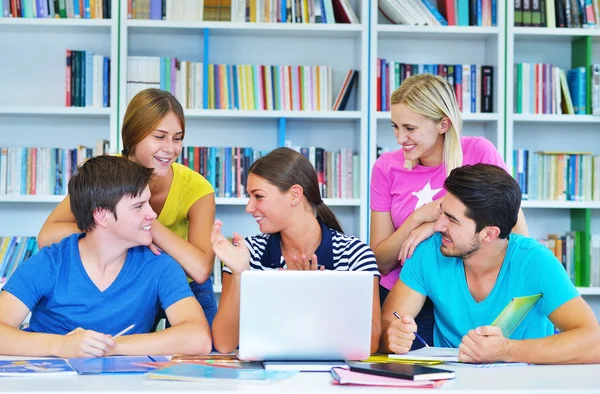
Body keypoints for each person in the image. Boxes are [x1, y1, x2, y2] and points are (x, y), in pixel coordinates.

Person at [381, 163, 600, 364]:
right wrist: (391, 335)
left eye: (452, 219)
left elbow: (594, 342)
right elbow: (384, 324)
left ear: (489, 234)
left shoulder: (535, 261)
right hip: (450, 383)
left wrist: (507, 350)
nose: (437, 226)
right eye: (442, 213)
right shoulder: (429, 251)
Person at [369, 73, 529, 348]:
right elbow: (381, 261)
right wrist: (418, 218)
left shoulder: (478, 152)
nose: (399, 138)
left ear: (443, 124)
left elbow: (515, 231)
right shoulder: (386, 167)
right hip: (405, 295)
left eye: (409, 128)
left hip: (467, 291)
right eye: (394, 127)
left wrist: (436, 221)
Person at [37, 89, 218, 328]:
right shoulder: (105, 175)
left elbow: (200, 269)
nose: (170, 148)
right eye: (160, 136)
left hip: (184, 283)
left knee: (205, 354)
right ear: (133, 136)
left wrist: (147, 227)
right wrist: (124, 230)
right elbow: (47, 236)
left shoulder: (197, 188)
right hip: (130, 279)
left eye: (177, 138)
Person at [0, 156, 212, 358]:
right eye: (139, 206)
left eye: (148, 203)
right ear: (102, 216)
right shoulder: (50, 263)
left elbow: (199, 338)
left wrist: (109, 346)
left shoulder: (160, 266)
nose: (153, 215)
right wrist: (61, 345)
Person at [210, 147, 381, 354]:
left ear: (294, 195)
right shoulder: (249, 252)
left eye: (258, 196)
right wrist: (239, 274)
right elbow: (224, 344)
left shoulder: (355, 255)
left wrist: (317, 296)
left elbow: (370, 343)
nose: (249, 207)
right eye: (249, 196)